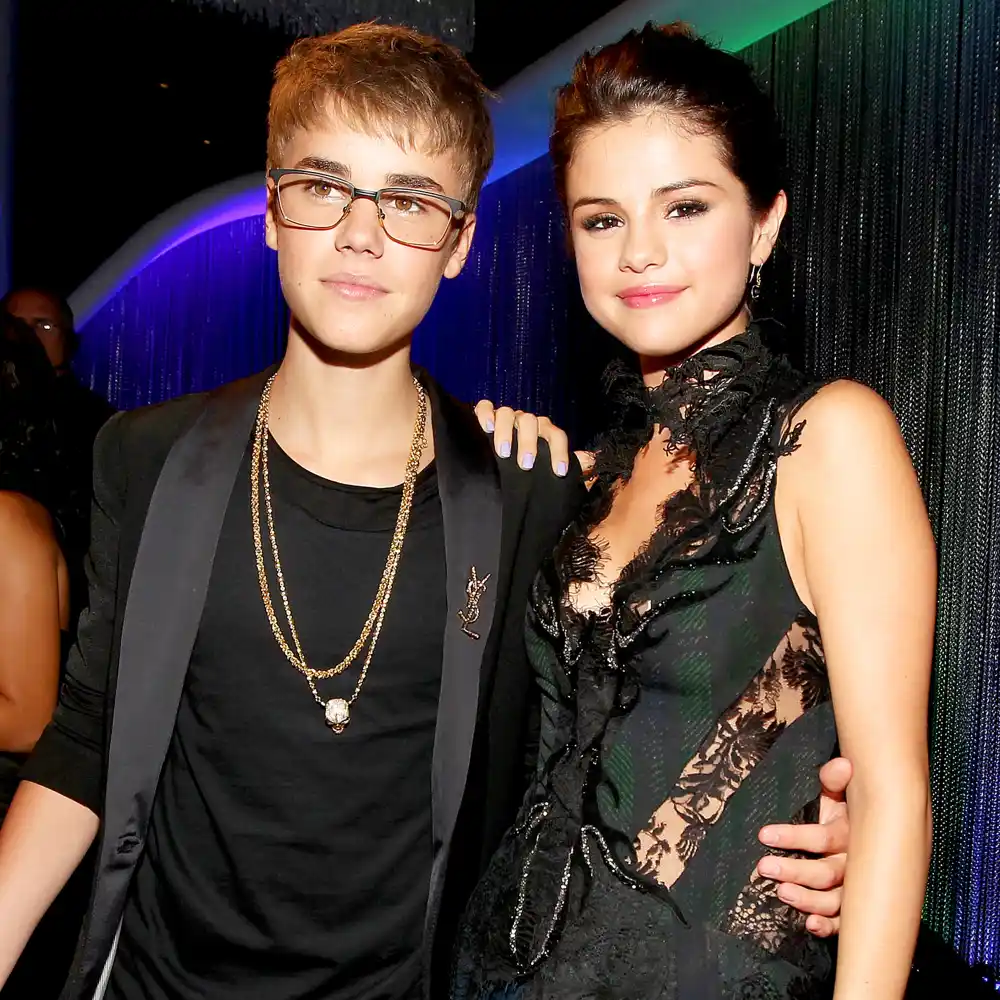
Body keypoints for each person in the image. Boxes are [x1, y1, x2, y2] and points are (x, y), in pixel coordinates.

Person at [0, 24, 851, 1000]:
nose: (361, 233)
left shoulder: (526, 491)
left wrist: (821, 820)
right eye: (324, 187)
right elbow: (87, 737)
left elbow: (621, 724)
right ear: (273, 210)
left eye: (408, 201)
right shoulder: (147, 458)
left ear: (459, 242)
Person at [456, 23, 935, 1000]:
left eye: (684, 207)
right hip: (501, 968)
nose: (640, 251)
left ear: (763, 225)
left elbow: (893, 797)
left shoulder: (827, 439)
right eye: (602, 219)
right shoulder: (586, 476)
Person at [1, 287, 115, 618]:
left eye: (43, 325)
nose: (26, 333)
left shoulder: (100, 424)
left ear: (69, 340)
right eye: (15, 322)